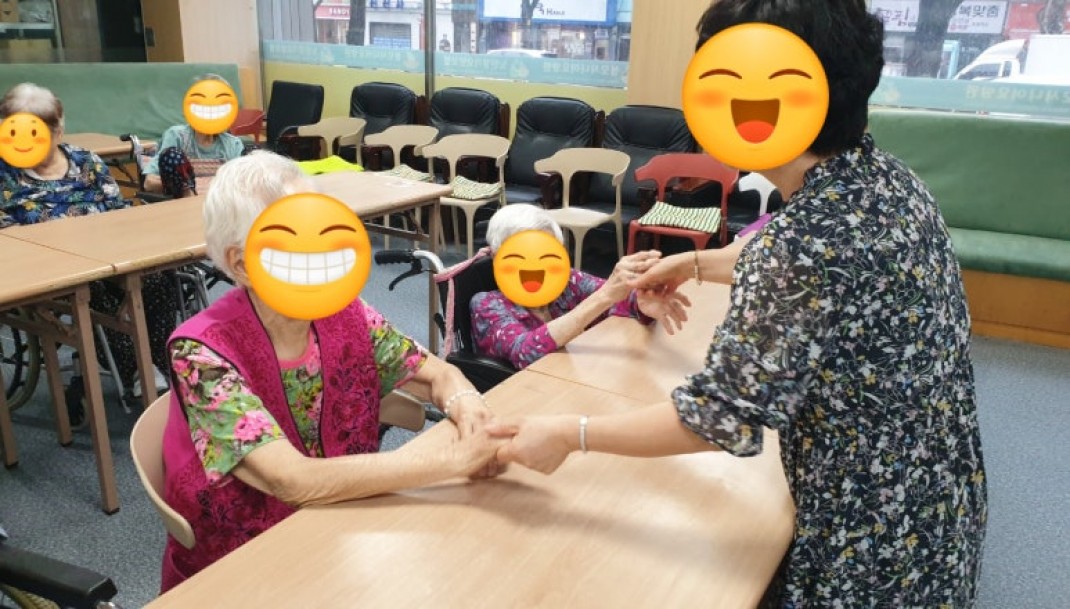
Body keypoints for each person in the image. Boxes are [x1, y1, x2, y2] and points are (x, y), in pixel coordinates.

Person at [491, 1, 988, 606]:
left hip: (869, 548)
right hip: (940, 506)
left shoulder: (801, 244)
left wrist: (571, 434)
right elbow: (821, 274)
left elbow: (718, 416)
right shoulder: (887, 182)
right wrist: (689, 264)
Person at [160, 151, 505, 591]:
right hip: (245, 564)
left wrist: (468, 405)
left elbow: (433, 374)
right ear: (243, 264)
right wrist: (451, 461)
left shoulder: (343, 311)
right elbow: (291, 480)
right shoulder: (199, 352)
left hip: (346, 521)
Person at [0, 82, 175, 406]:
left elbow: (119, 213)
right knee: (95, 294)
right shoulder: (5, 172)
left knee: (158, 280)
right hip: (50, 271)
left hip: (110, 255)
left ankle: (160, 366)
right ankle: (140, 373)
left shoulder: (85, 161)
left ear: (58, 129)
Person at [470, 204, 690, 370]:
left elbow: (617, 298)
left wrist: (641, 302)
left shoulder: (567, 282)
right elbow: (525, 353)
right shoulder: (486, 304)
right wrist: (604, 296)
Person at [143, 74, 245, 198]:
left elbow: (241, 186)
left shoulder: (233, 144)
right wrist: (179, 186)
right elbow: (149, 183)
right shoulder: (177, 137)